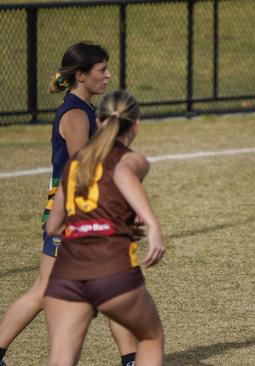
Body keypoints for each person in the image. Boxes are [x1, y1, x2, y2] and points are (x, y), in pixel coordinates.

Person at [0, 42, 137, 366]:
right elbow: (82, 167)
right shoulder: (76, 113)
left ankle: (131, 358)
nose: (107, 75)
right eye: (101, 70)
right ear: (81, 75)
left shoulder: (83, 109)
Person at [44, 89, 165, 365]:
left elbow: (53, 225)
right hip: (113, 270)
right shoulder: (132, 160)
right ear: (136, 124)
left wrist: (83, 227)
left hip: (67, 274)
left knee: (61, 357)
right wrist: (152, 222)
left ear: (97, 122)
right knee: (150, 336)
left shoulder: (74, 164)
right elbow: (122, 175)